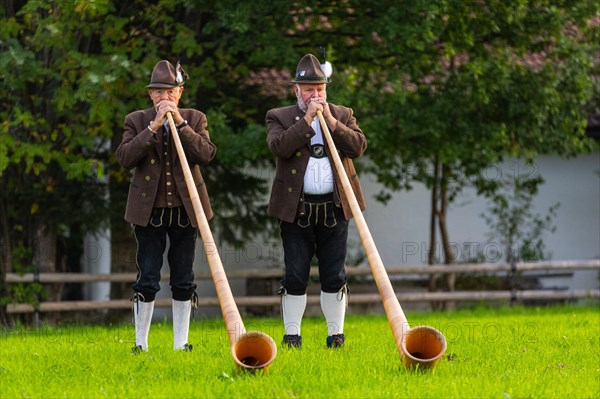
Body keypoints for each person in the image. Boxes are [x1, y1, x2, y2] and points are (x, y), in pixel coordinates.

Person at [266, 54, 367, 348]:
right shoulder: (279, 116)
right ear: (296, 89)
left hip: (334, 208)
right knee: (296, 274)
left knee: (334, 274)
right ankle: (292, 335)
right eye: (309, 89)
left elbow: (359, 146)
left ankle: (336, 335)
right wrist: (308, 119)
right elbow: (279, 147)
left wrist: (332, 122)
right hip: (296, 209)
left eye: (320, 89)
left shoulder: (343, 114)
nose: (315, 95)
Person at [117, 60, 216, 353]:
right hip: (148, 213)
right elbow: (125, 157)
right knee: (147, 277)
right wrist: (154, 125)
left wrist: (181, 125)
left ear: (180, 91)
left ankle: (180, 342)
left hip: (186, 211)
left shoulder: (195, 118)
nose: (164, 98)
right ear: (150, 95)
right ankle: (140, 343)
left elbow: (207, 154)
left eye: (169, 92)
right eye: (158, 93)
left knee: (183, 278)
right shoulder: (136, 120)